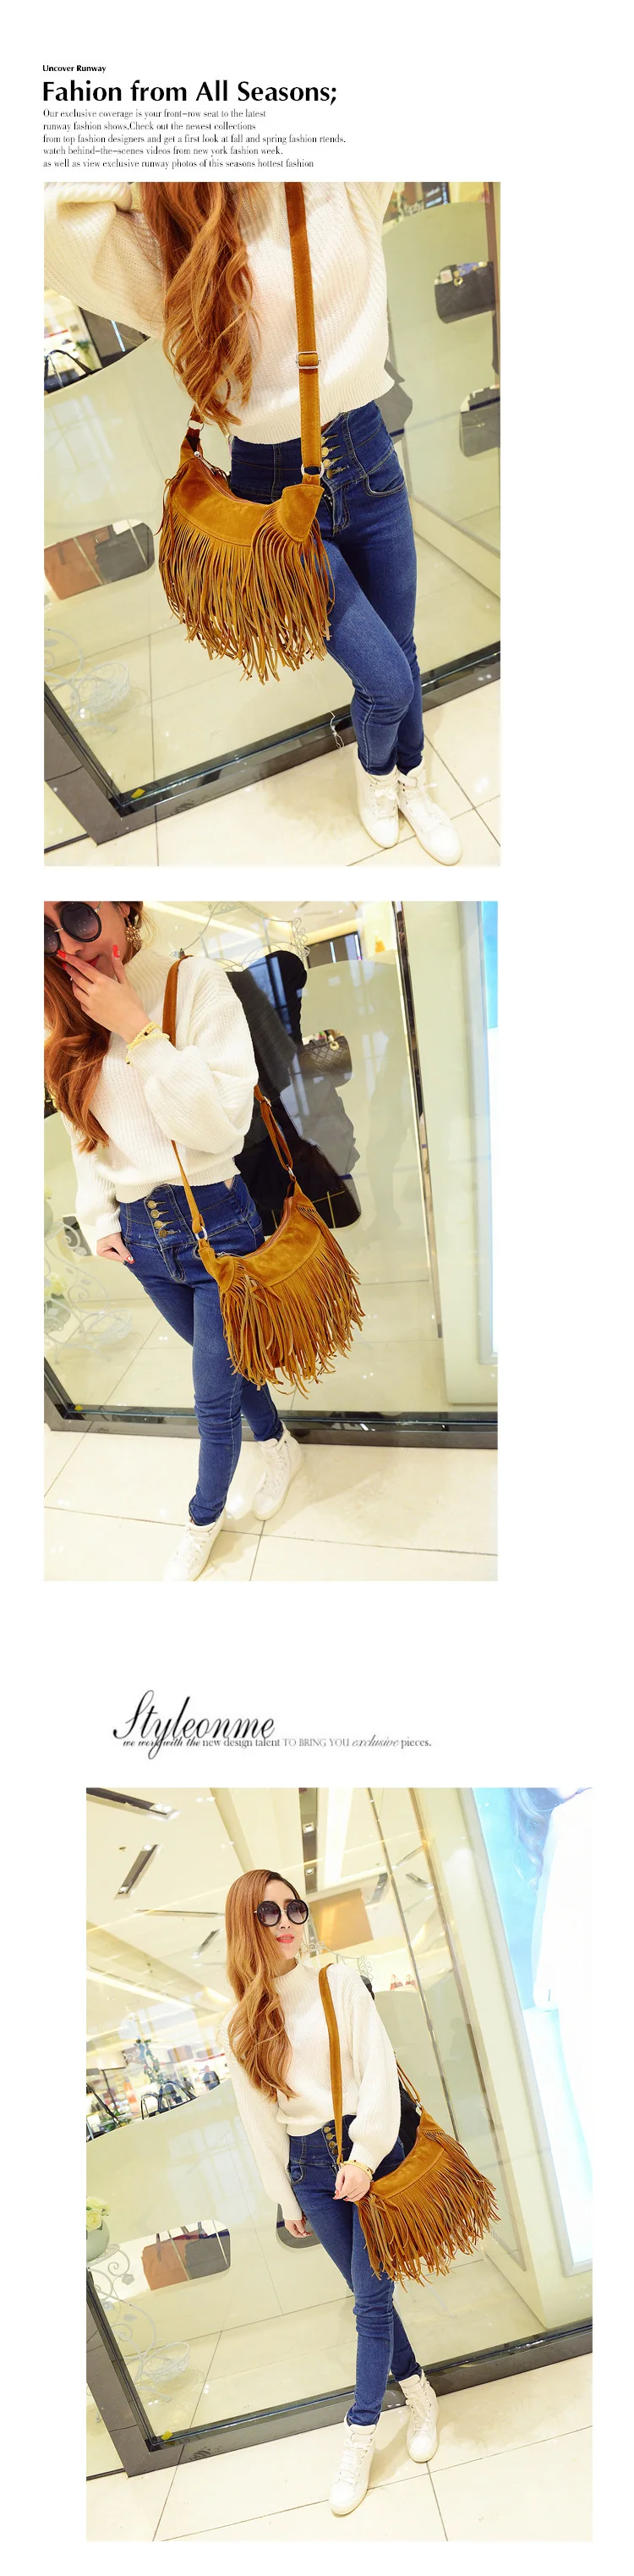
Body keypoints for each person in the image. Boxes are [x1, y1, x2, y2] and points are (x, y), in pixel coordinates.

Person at [44, 181, 462, 863]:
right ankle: (377, 777)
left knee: (401, 649)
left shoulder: (339, 180)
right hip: (269, 496)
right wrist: (158, 166)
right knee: (386, 680)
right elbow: (48, 221)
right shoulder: (172, 233)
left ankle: (412, 780)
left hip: (366, 457)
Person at [44, 901, 302, 1580]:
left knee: (212, 1398)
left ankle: (201, 1520)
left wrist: (139, 1030)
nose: (66, 942)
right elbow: (82, 1131)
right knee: (229, 1369)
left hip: (216, 1223)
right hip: (141, 1236)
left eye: (77, 915)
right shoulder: (64, 1011)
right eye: (43, 930)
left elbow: (220, 1129)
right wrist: (99, 1218)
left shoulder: (194, 984)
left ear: (122, 906)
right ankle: (279, 1444)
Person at [221, 1869, 438, 2517]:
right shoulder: (240, 2023)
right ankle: (419, 2390)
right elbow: (259, 2120)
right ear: (244, 1926)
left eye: (294, 1908)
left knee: (369, 2304)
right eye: (269, 1913)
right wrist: (286, 2199)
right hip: (307, 2171)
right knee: (369, 2297)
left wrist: (366, 2157)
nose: (288, 1922)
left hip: (358, 2155)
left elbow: (376, 2072)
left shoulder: (336, 1982)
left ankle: (360, 2432)